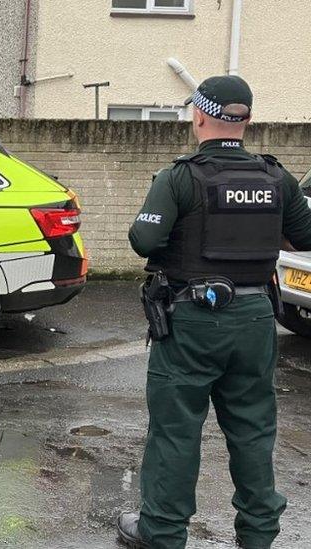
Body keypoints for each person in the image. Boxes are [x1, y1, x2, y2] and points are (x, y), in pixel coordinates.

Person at [119, 75, 311, 549]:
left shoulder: (179, 177)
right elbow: (306, 237)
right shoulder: (276, 178)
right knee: (252, 429)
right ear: (245, 120)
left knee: (175, 430)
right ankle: (259, 534)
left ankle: (162, 532)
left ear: (199, 115)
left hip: (190, 322)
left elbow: (144, 240)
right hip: (254, 320)